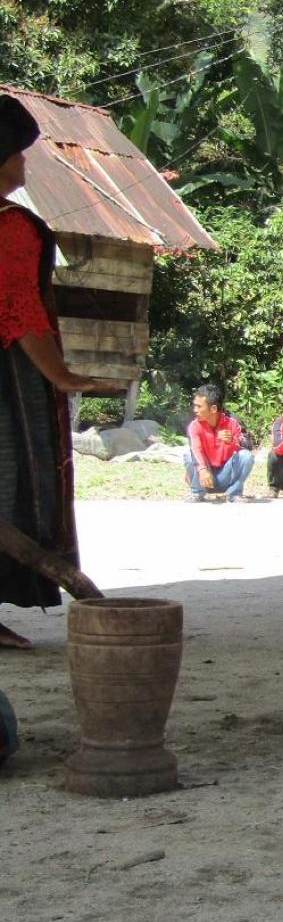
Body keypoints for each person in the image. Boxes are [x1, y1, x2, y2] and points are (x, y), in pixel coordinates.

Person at [0, 95, 102, 651]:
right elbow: (17, 310)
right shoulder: (12, 226)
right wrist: (62, 376)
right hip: (9, 382)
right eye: (17, 154)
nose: (24, 164)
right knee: (12, 481)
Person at [184, 384, 255, 502]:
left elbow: (248, 446)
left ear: (213, 409)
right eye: (194, 406)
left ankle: (234, 494)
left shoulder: (233, 421)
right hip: (203, 477)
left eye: (199, 406)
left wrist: (232, 440)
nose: (195, 410)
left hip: (225, 477)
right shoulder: (194, 425)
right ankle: (197, 493)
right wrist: (202, 470)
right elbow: (195, 449)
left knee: (246, 456)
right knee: (188, 455)